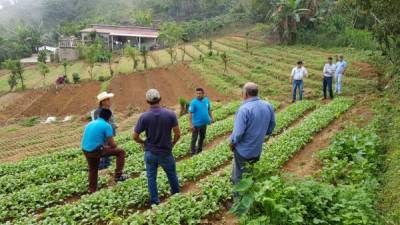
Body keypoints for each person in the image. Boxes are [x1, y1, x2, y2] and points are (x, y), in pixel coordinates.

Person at [133, 89, 181, 205]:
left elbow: (134, 136)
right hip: (165, 152)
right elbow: (177, 133)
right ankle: (176, 197)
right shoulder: (170, 114)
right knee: (171, 174)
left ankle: (155, 202)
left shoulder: (144, 117)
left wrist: (143, 142)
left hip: (150, 153)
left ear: (147, 101)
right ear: (160, 99)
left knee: (151, 177)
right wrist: (172, 143)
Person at [230, 82, 276, 186]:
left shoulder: (244, 109)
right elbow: (272, 124)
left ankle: (239, 200)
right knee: (250, 173)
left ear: (245, 94)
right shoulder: (268, 105)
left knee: (239, 178)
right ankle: (250, 194)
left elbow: (238, 134)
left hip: (243, 151)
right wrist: (263, 135)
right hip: (256, 149)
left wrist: (232, 143)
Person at [81, 108, 127, 193]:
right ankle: (118, 176)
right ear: (109, 118)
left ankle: (92, 189)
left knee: (93, 168)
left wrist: (104, 146)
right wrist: (109, 146)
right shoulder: (107, 126)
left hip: (85, 149)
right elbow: (113, 145)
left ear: (99, 115)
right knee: (121, 152)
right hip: (95, 150)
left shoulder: (90, 123)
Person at [91, 92, 118, 170]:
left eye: (109, 99)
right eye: (107, 100)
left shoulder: (109, 110)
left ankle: (105, 163)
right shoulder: (98, 112)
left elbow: (111, 120)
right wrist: (112, 125)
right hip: (103, 134)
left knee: (108, 148)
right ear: (102, 102)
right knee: (104, 148)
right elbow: (99, 124)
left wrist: (113, 125)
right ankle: (103, 165)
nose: (110, 101)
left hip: (109, 133)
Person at [188, 88, 214, 156]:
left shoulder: (206, 100)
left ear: (203, 94)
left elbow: (209, 109)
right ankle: (192, 152)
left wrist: (211, 118)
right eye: (197, 93)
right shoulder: (193, 102)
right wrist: (191, 124)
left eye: (200, 93)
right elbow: (190, 113)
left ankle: (199, 150)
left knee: (202, 137)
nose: (198, 95)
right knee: (194, 138)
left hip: (204, 124)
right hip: (196, 124)